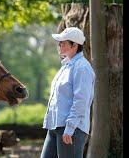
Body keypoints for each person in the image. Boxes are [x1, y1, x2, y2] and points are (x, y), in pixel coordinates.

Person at [40, 27, 95, 158]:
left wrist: (69, 129)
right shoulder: (66, 65)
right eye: (59, 42)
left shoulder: (82, 68)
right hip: (55, 126)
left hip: (70, 129)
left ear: (75, 45)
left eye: (63, 43)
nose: (59, 45)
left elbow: (81, 101)